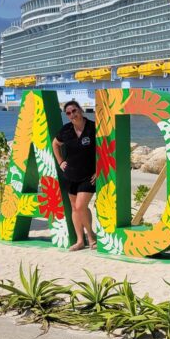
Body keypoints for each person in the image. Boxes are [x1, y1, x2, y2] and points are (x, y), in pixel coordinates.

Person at [52, 100, 96, 251]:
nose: (72, 115)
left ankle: (91, 237)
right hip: (71, 175)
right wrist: (60, 162)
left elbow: (103, 149)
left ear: (80, 110)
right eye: (69, 113)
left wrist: (99, 170)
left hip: (89, 175)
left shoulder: (93, 128)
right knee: (75, 208)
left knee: (80, 206)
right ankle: (79, 240)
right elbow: (55, 144)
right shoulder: (66, 130)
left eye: (74, 111)